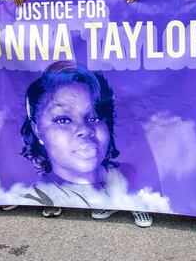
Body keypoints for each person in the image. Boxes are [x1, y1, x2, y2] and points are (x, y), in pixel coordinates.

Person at [20, 61, 156, 227]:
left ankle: (111, 203)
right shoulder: (36, 195)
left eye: (94, 118)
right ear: (37, 130)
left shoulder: (125, 174)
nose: (85, 129)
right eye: (63, 120)